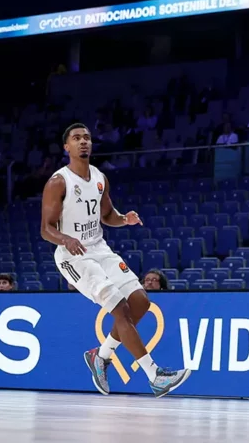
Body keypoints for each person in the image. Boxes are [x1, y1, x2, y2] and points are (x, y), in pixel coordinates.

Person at [40, 123, 190, 398]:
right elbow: (45, 228)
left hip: (99, 247)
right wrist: (66, 239)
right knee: (120, 310)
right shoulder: (58, 182)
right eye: (76, 138)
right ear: (66, 147)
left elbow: (107, 215)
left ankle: (102, 355)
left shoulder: (99, 178)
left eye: (86, 137)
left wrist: (123, 219)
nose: (83, 142)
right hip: (72, 255)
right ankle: (154, 375)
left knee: (141, 301)